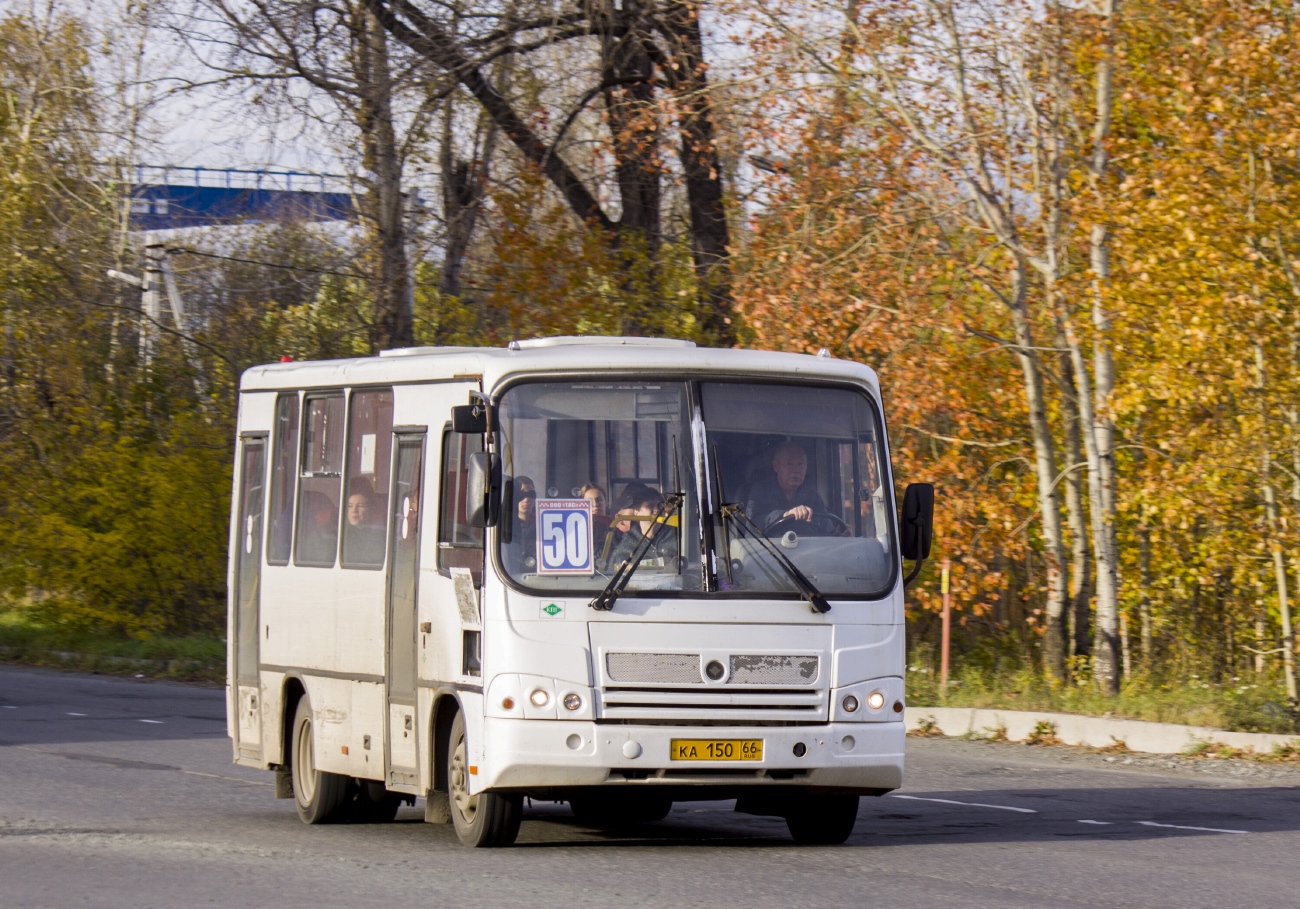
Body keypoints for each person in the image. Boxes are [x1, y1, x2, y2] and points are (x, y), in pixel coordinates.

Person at [744, 441, 831, 530]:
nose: (796, 469)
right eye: (789, 464)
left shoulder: (812, 495)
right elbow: (753, 524)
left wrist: (838, 530)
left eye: (801, 464)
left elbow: (826, 525)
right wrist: (785, 515)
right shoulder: (760, 491)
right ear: (776, 466)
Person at [607, 483, 679, 571]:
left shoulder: (676, 537)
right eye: (650, 505)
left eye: (660, 506)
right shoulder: (627, 545)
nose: (657, 509)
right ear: (636, 512)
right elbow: (613, 571)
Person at [343, 486, 386, 565]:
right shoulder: (341, 535)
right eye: (350, 506)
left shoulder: (380, 534)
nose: (354, 510)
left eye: (360, 506)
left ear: (369, 509)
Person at [504, 475, 538, 573]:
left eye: (531, 495)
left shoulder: (541, 525)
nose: (526, 500)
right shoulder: (505, 525)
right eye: (521, 495)